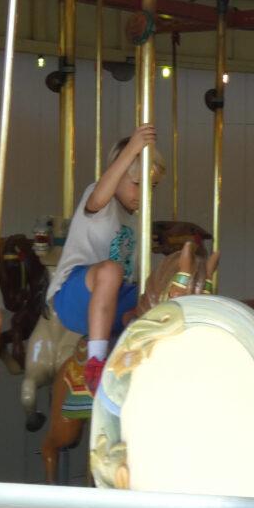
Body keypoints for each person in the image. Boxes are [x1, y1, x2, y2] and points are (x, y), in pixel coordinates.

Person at [46, 125, 164, 394]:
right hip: (75, 297)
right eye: (137, 184)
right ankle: (95, 361)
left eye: (152, 187)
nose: (144, 194)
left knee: (159, 293)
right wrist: (133, 149)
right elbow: (100, 196)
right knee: (111, 271)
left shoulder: (137, 221)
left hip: (115, 303)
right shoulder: (100, 199)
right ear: (118, 174)